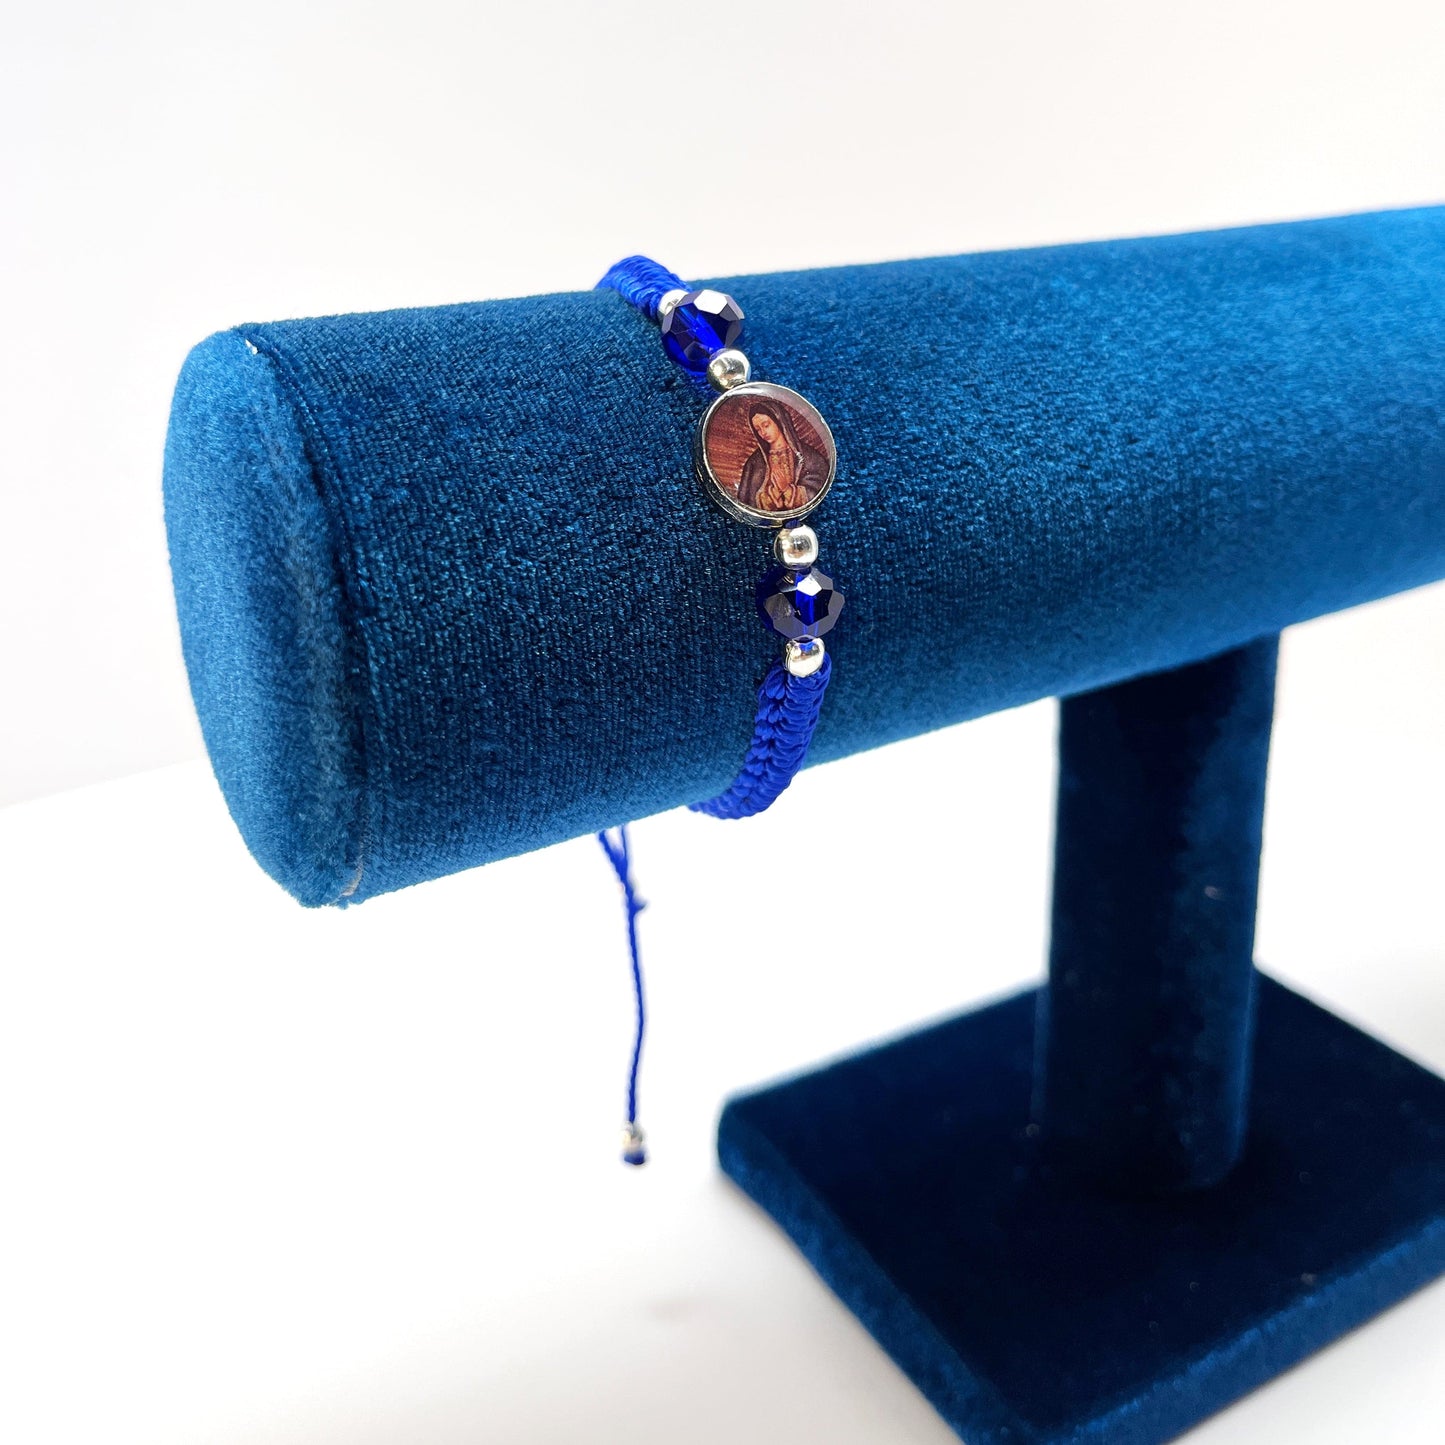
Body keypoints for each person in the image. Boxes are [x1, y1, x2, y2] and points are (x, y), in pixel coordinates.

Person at [735, 398, 830, 513]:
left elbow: (815, 489)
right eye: (758, 429)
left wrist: (787, 489)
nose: (763, 433)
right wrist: (774, 494)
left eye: (766, 425)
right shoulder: (754, 463)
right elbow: (747, 501)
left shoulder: (809, 456)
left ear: (779, 421)